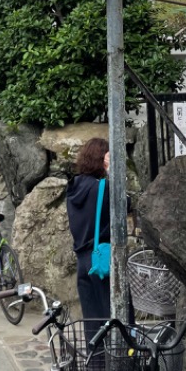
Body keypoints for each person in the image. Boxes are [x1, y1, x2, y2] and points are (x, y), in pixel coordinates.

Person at [66, 137, 111, 338]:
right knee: (113, 318)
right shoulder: (101, 188)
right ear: (102, 159)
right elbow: (124, 205)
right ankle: (117, 367)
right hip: (102, 258)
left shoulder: (75, 186)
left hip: (83, 258)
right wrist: (112, 174)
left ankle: (95, 367)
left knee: (92, 321)